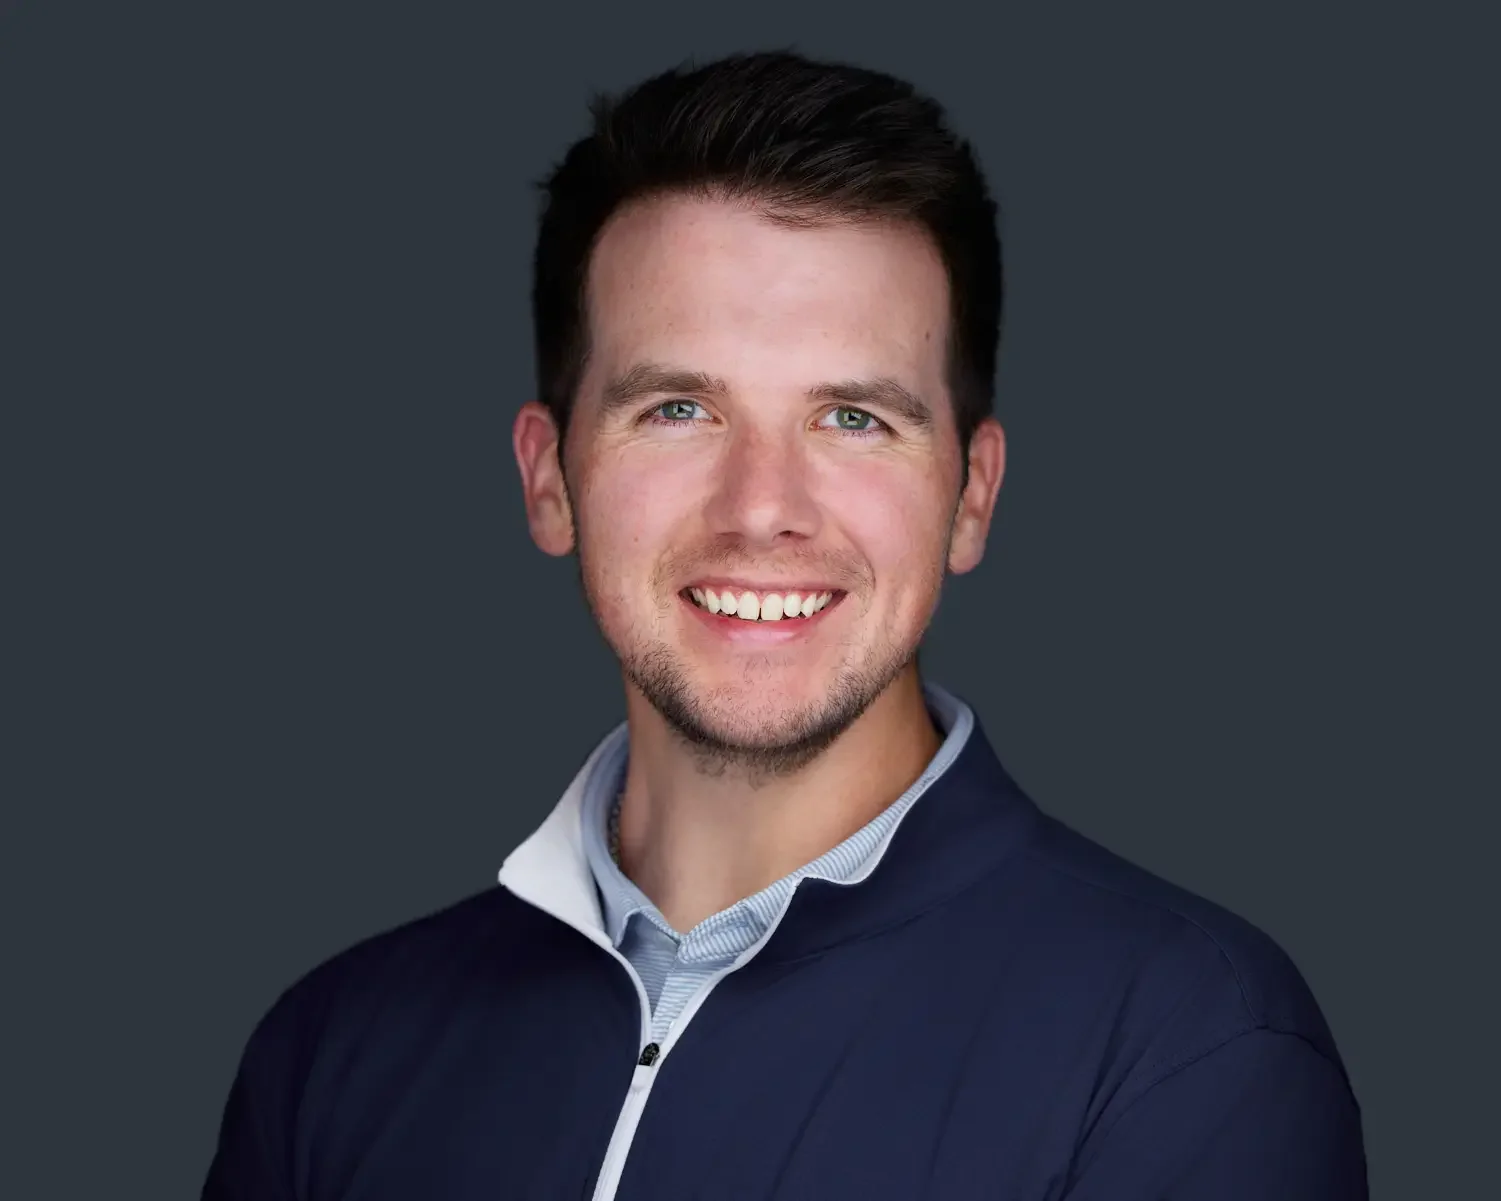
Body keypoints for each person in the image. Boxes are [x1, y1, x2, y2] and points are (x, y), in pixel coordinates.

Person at [201, 49, 1368, 1201]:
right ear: (550, 477)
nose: (762, 507)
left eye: (854, 419)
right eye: (677, 408)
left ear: (971, 495)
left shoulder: (1188, 1055)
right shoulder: (331, 1056)